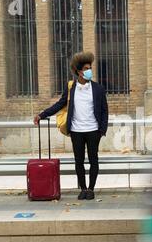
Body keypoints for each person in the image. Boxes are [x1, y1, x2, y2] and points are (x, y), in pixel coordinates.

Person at [33, 52, 108, 200]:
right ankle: (83, 188)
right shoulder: (70, 88)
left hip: (93, 130)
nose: (89, 71)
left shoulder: (98, 88)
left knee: (94, 160)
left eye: (90, 67)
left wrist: (102, 130)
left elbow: (105, 110)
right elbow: (60, 104)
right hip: (76, 131)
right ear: (79, 71)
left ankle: (91, 189)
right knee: (78, 161)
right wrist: (42, 114)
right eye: (86, 68)